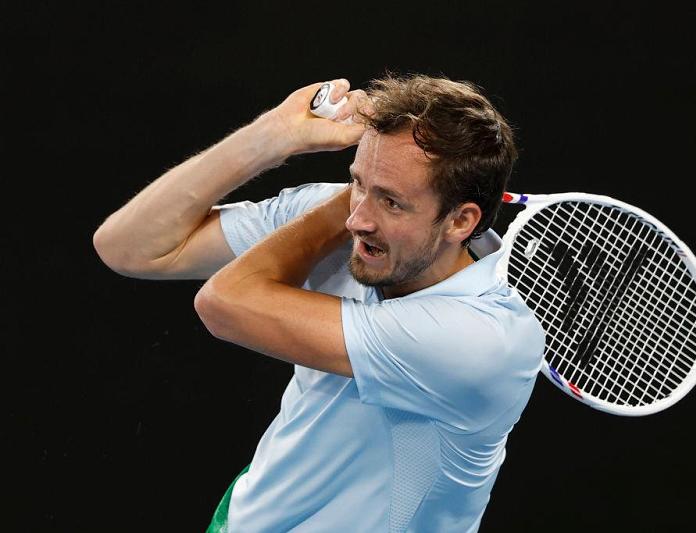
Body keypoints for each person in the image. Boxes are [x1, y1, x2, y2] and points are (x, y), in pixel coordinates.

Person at [93, 74, 545, 532]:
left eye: (391, 202)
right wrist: (272, 137)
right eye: (357, 182)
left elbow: (223, 303)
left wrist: (336, 210)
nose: (358, 218)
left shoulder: (484, 339)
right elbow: (128, 247)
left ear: (460, 221)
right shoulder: (352, 225)